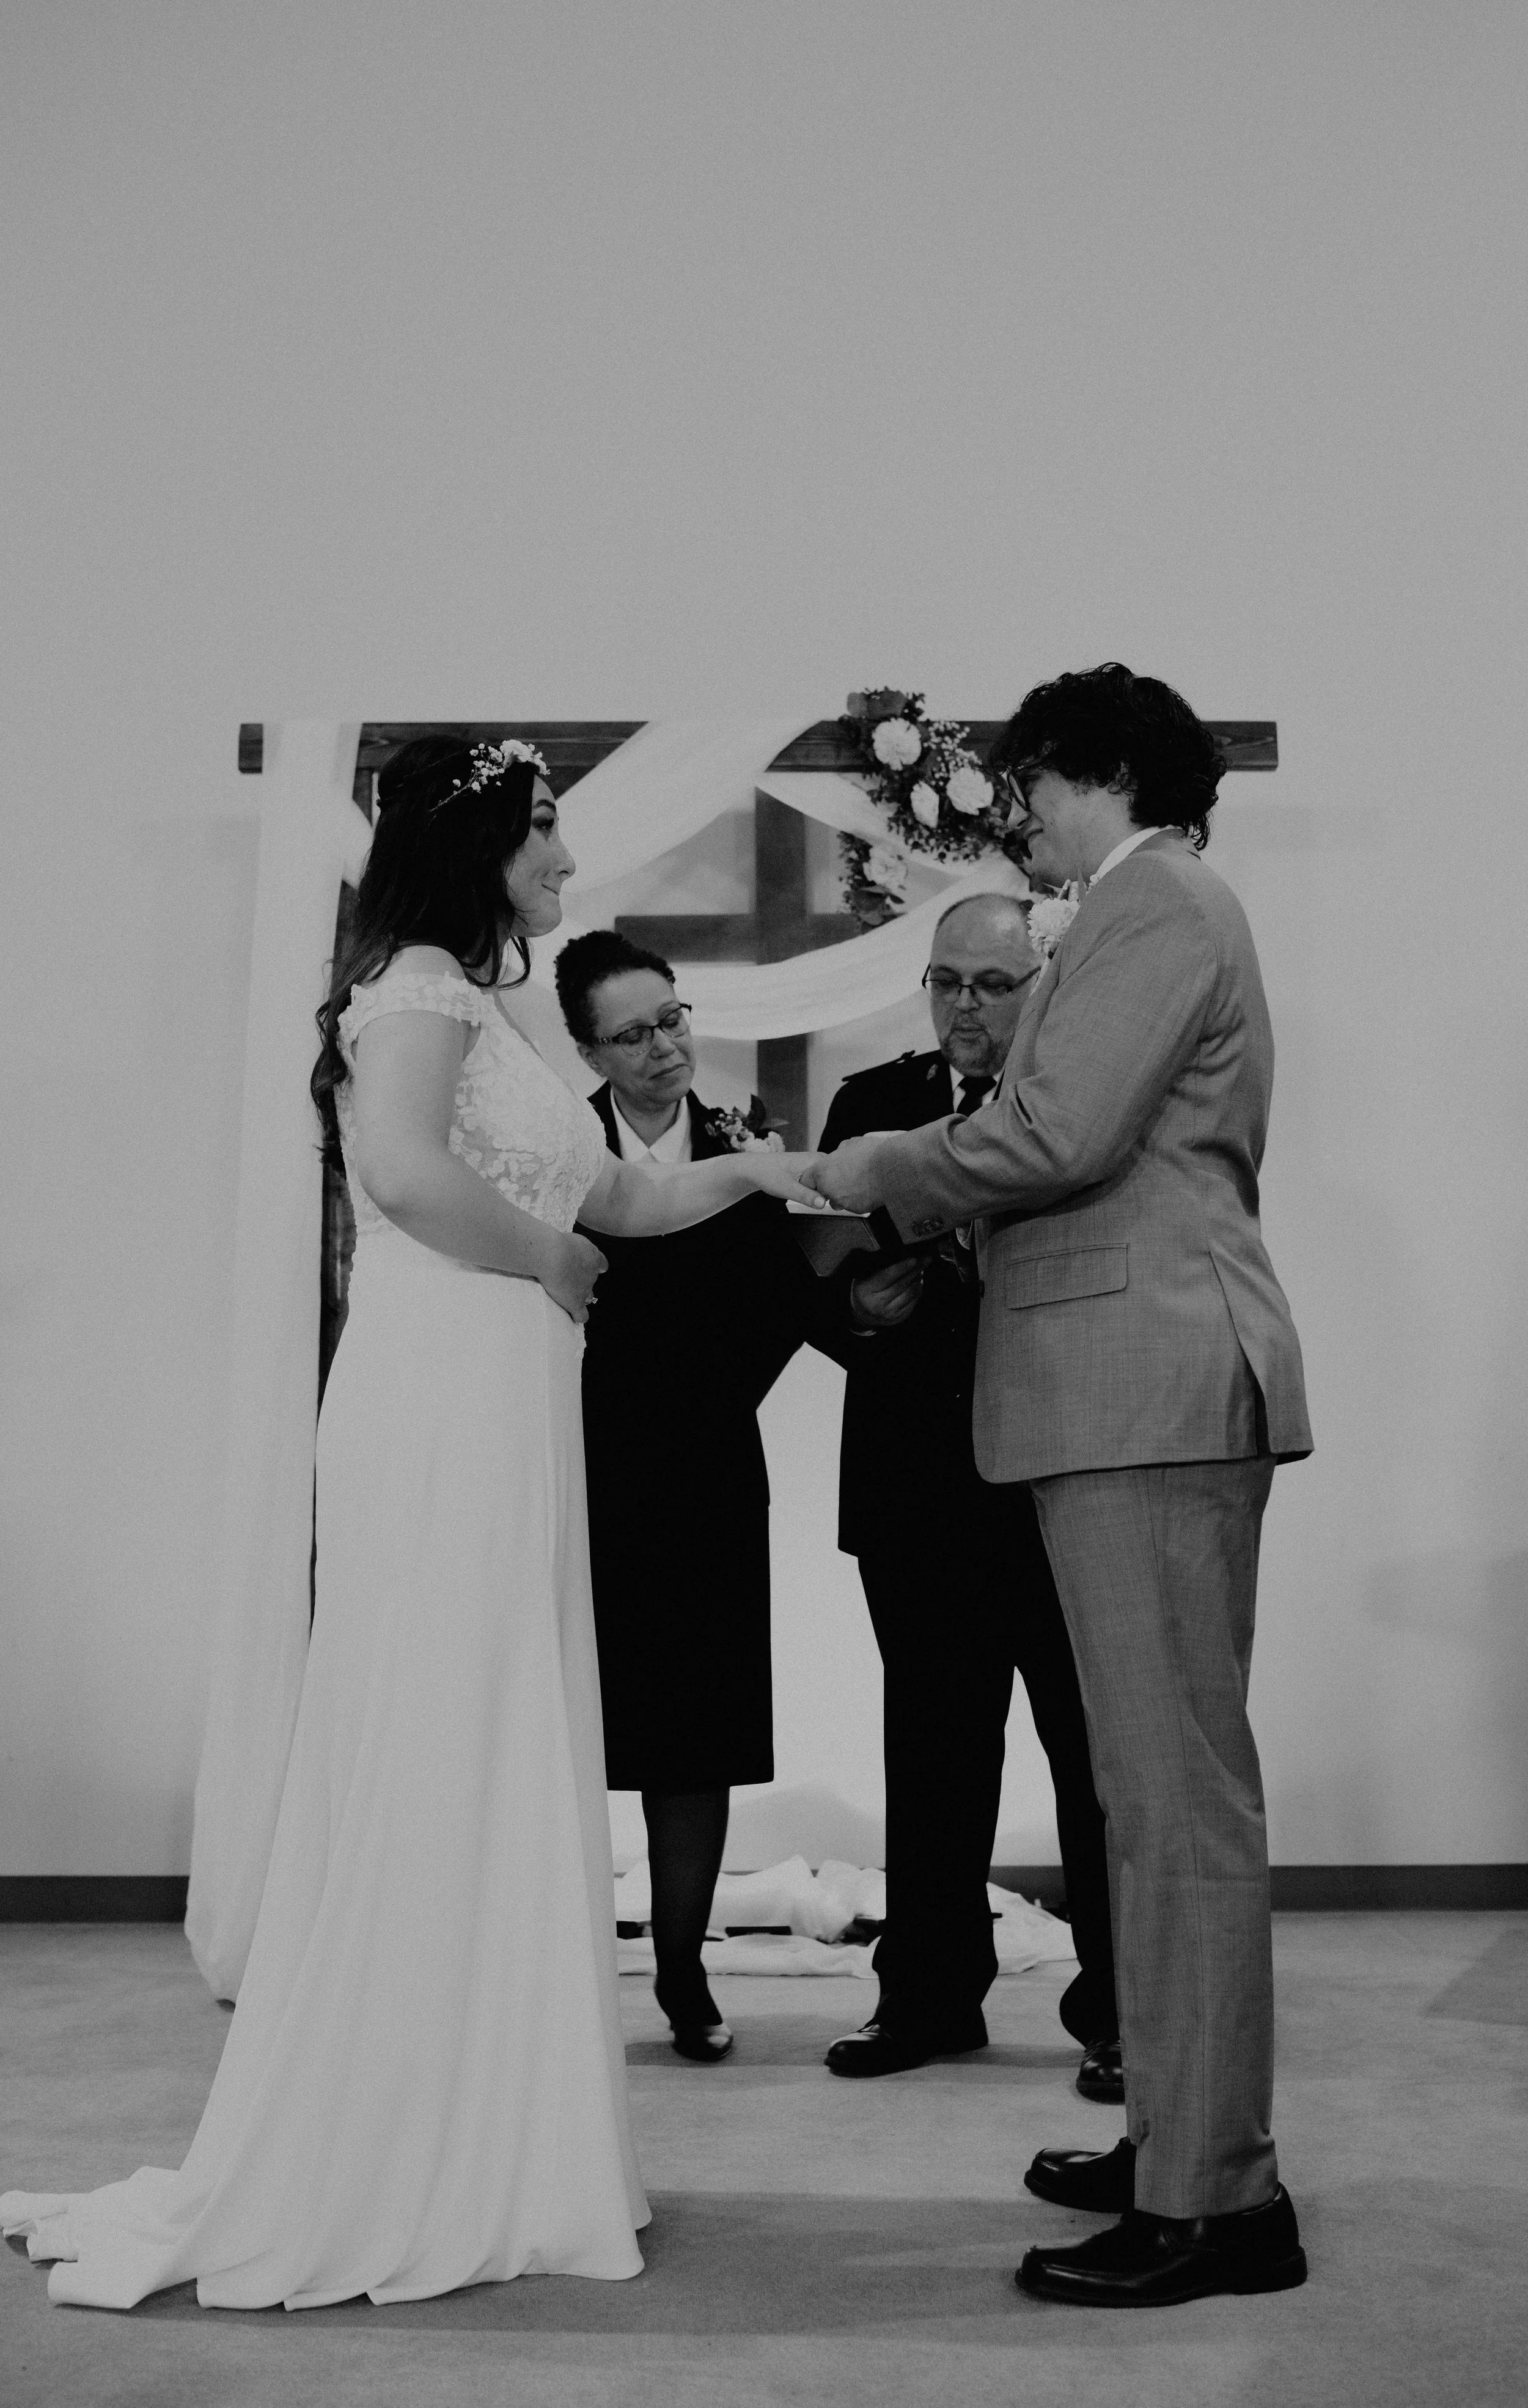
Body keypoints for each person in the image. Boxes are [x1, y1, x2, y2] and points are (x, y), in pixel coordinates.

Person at [1, 735, 826, 2310]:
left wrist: (764, 1173)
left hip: (506, 1396)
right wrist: (544, 1261)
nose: (567, 866)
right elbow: (397, 1170)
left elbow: (626, 1201)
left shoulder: (491, 998)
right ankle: (400, 2135)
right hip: (443, 1389)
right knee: (440, 1721)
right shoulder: (417, 992)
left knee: (506, 1723)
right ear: (472, 842)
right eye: (543, 836)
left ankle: (504, 2124)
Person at [807, 665, 1313, 2309]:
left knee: (1171, 1815)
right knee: (1147, 1807)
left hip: (1144, 1390)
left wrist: (864, 1171)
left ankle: (1218, 2200)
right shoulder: (1133, 905)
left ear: (1091, 770)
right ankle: (1176, 2136)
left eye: (1024, 781)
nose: (1008, 809)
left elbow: (1049, 1137)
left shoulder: (1151, 899)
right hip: (1124, 1391)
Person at [815, 893, 1120, 2096]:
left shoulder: (1079, 1105)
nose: (960, 1005)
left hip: (1053, 1472)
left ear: (1039, 987)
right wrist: (852, 1310)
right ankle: (929, 1995)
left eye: (989, 983)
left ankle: (1118, 2010)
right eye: (943, 980)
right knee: (931, 1753)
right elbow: (815, 1269)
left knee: (1089, 1754)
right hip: (914, 1481)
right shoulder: (869, 1103)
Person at [554, 929, 850, 2065]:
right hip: (578, 1466)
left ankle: (683, 1966)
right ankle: (561, 1974)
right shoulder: (556, 1146)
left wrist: (859, 1309)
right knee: (569, 1724)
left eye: (673, 1018)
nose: (665, 1046)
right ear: (587, 1047)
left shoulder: (743, 1142)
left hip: (710, 1473)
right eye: (632, 1033)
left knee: (695, 1738)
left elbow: (784, 1299)